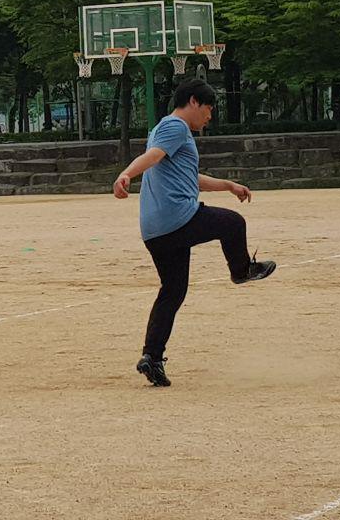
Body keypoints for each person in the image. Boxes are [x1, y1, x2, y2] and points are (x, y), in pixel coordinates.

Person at [113, 79, 276, 388]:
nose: (209, 116)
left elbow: (189, 177)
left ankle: (152, 357)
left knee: (173, 290)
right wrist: (126, 174)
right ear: (193, 102)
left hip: (156, 231)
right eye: (208, 108)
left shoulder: (164, 130)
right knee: (233, 223)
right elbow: (153, 158)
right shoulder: (175, 127)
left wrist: (228, 185)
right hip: (177, 218)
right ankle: (242, 271)